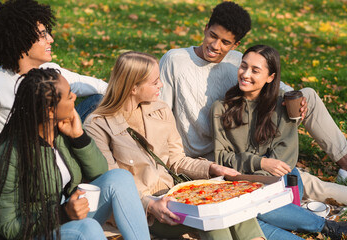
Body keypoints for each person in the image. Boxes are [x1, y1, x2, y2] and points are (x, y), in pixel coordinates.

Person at [159, 1, 347, 204]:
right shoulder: (175, 61)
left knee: (306, 94)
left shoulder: (237, 61)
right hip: (213, 157)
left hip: (247, 138)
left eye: (225, 42)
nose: (215, 46)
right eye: (212, 36)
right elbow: (160, 113)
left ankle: (344, 160)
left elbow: (278, 86)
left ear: (235, 45)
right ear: (206, 29)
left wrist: (296, 101)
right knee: (299, 180)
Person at [84, 51, 265, 240]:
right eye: (154, 82)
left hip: (175, 196)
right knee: (212, 218)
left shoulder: (160, 110)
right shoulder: (98, 124)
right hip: (143, 212)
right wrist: (149, 204)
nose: (161, 85)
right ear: (133, 88)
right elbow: (113, 184)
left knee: (233, 204)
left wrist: (211, 168)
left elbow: (176, 159)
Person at [0, 68, 150, 240]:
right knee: (87, 228)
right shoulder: (11, 152)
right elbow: (8, 226)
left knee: (120, 177)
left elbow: (100, 173)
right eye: (69, 95)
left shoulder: (63, 132)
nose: (74, 98)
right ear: (50, 111)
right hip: (35, 232)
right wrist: (62, 214)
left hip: (69, 215)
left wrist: (79, 138)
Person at [210, 44, 347, 240]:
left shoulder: (284, 105)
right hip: (243, 184)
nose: (245, 74)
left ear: (271, 77)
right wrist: (260, 163)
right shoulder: (221, 109)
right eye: (243, 66)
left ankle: (308, 221)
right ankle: (326, 226)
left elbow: (285, 158)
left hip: (280, 182)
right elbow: (222, 157)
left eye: (255, 70)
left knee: (251, 209)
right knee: (245, 217)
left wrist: (262, 172)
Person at [0, 0, 107, 152]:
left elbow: (90, 85)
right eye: (43, 35)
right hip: (20, 157)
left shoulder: (49, 70)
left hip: (58, 146)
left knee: (100, 100)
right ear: (22, 40)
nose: (51, 39)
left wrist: (127, 93)